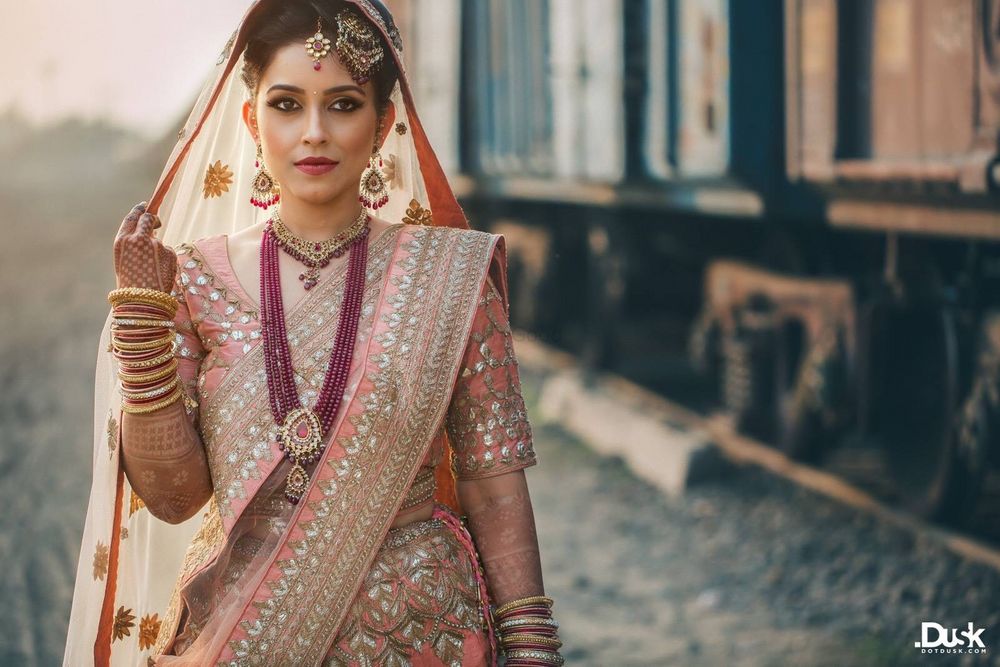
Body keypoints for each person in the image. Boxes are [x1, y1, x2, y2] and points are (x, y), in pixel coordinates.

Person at [63, 2, 564, 665]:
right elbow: (175, 497)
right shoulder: (199, 280)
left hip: (421, 635)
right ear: (252, 120)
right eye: (288, 104)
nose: (315, 133)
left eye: (344, 105)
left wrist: (530, 647)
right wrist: (142, 326)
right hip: (250, 628)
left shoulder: (451, 277)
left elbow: (492, 482)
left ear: (385, 122)